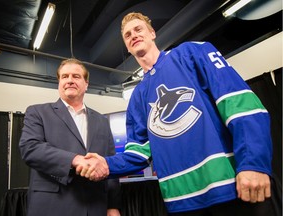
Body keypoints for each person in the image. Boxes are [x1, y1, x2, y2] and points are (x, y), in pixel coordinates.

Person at [80, 12, 275, 215]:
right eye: (127, 35)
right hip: (180, 202)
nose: (133, 35)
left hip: (232, 187)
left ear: (152, 33)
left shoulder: (192, 53)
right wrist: (106, 163)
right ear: (127, 47)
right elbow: (138, 153)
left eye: (138, 29)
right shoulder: (138, 97)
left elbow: (240, 104)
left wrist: (253, 162)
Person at [19, 58, 121, 216]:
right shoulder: (37, 112)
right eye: (65, 76)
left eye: (76, 76)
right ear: (58, 83)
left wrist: (113, 206)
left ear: (86, 84)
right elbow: (30, 149)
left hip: (95, 207)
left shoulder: (101, 121)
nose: (70, 80)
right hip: (53, 207)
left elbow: (109, 164)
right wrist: (75, 159)